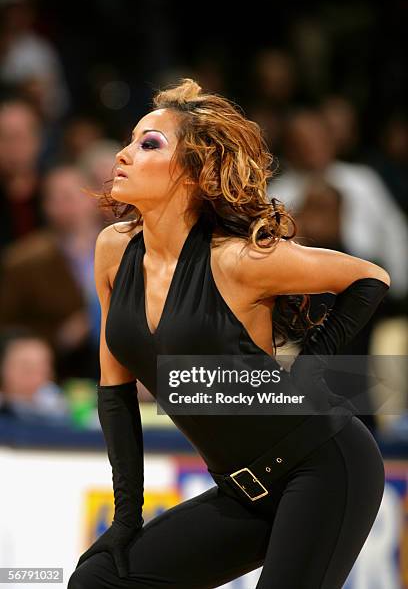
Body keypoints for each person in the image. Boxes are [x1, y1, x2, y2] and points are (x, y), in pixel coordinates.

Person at [68, 78, 390, 589]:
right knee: (101, 581)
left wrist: (311, 367)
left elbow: (370, 277)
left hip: (324, 467)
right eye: (129, 140)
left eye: (149, 144)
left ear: (195, 174)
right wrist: (127, 518)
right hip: (241, 493)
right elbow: (115, 394)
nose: (124, 154)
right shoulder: (113, 250)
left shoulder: (236, 260)